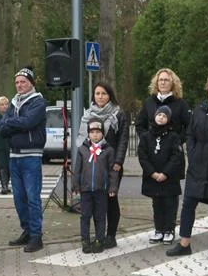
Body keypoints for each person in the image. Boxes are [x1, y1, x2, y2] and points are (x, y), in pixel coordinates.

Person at [166, 73, 208, 258]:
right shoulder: (199, 109)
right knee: (189, 202)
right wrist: (192, 150)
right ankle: (184, 243)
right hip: (197, 164)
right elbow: (190, 133)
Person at [0, 67, 48, 253]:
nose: (19, 85)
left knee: (32, 197)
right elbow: (0, 128)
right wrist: (12, 123)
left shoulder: (38, 102)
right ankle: (26, 230)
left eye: (23, 82)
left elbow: (28, 122)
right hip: (14, 156)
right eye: (17, 82)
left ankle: (36, 235)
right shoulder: (13, 103)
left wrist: (9, 122)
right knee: (19, 198)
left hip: (31, 156)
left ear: (31, 83)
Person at [76, 81, 129, 249]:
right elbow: (82, 141)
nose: (100, 96)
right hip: (91, 166)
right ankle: (94, 236)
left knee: (110, 200)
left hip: (111, 165)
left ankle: (110, 235)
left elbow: (123, 140)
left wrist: (118, 162)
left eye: (104, 93)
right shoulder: (88, 115)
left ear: (110, 96)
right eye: (97, 93)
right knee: (92, 204)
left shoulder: (118, 114)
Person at [138, 105, 185, 245]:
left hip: (168, 178)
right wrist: (152, 172)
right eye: (159, 115)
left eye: (164, 116)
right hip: (153, 177)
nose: (161, 117)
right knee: (157, 204)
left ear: (168, 119)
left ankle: (169, 230)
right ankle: (159, 229)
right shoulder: (146, 136)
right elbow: (142, 156)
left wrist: (165, 173)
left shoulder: (173, 136)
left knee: (170, 203)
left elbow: (177, 156)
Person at [71, 120, 114, 254]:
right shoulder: (82, 149)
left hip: (101, 189)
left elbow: (112, 171)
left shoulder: (108, 150)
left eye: (98, 132)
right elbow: (77, 169)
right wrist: (75, 184)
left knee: (100, 216)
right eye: (92, 132)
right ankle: (85, 240)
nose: (95, 135)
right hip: (86, 189)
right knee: (85, 216)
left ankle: (99, 240)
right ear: (88, 134)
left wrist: (112, 187)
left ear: (102, 133)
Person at [135, 68, 190, 138]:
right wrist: (147, 140)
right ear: (157, 82)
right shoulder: (148, 102)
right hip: (151, 147)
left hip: (172, 147)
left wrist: (177, 140)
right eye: (160, 80)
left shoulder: (181, 104)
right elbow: (140, 125)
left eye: (166, 80)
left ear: (173, 83)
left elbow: (189, 126)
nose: (163, 83)